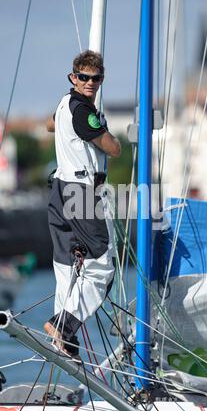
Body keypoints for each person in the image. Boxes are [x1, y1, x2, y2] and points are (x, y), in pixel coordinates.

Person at [44, 50, 121, 359]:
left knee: (65, 266)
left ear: (101, 79)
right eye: (84, 77)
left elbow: (49, 126)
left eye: (96, 78)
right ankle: (63, 325)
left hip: (59, 188)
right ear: (73, 77)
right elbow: (113, 149)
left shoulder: (64, 104)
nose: (90, 83)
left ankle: (62, 340)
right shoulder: (84, 113)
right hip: (81, 191)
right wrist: (100, 123)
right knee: (102, 266)